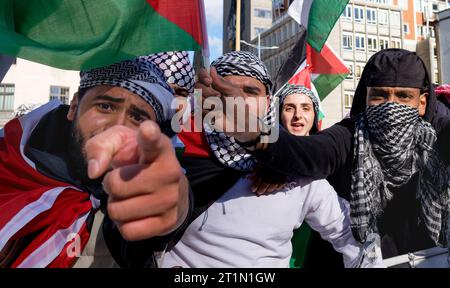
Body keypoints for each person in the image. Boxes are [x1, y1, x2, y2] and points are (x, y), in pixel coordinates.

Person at [196, 48, 450, 262]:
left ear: (422, 103)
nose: (391, 107)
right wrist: (265, 143)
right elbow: (309, 152)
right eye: (380, 96)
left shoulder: (441, 137)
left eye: (403, 97)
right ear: (365, 98)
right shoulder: (349, 136)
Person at [161, 53, 369, 268]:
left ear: (268, 102)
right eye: (226, 89)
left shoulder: (296, 168)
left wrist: (278, 161)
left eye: (251, 91)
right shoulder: (174, 150)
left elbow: (353, 236)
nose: (239, 100)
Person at [0, 56, 191, 268]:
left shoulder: (127, 200)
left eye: (138, 118)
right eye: (106, 107)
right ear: (74, 107)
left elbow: (169, 202)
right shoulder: (11, 155)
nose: (117, 127)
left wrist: (175, 200)